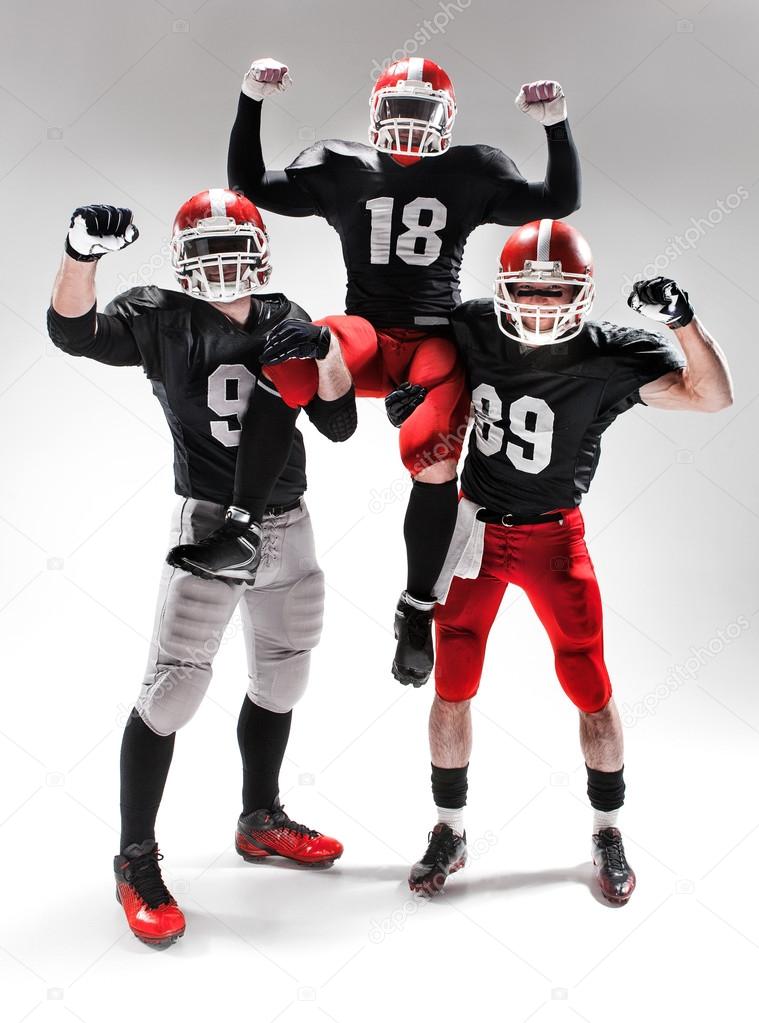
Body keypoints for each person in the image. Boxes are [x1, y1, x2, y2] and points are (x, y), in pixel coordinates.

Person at [169, 58, 581, 688]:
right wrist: (249, 99)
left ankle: (416, 608)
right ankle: (243, 528)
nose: (412, 125)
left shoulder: (470, 170)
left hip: (432, 341)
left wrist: (556, 126)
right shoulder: (344, 166)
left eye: (423, 111)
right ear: (377, 113)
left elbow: (558, 201)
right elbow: (249, 183)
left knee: (436, 457)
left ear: (445, 117)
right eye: (402, 110)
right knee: (286, 355)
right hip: (364, 333)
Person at [47, 190, 360, 948]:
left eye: (233, 248)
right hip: (209, 522)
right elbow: (74, 332)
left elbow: (340, 420)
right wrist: (80, 257)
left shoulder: (287, 316)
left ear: (259, 250)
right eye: (206, 250)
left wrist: (328, 356)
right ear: (184, 260)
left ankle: (259, 817)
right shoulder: (160, 315)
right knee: (174, 688)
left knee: (284, 676)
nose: (221, 266)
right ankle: (134, 858)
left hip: (291, 521)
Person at [389, 219, 733, 903]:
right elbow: (411, 356)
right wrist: (411, 392)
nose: (541, 303)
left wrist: (684, 322)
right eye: (528, 289)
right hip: (475, 530)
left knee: (589, 685)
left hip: (554, 537)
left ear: (581, 294)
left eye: (556, 291)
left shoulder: (608, 354)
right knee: (451, 682)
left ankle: (606, 830)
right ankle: (449, 828)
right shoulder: (473, 327)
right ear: (503, 288)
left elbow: (712, 394)